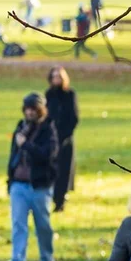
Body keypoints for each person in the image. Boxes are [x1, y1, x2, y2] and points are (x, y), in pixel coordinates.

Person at [6, 93, 58, 261]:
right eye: (27, 109)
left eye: (33, 109)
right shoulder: (21, 128)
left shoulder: (48, 130)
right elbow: (13, 154)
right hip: (19, 184)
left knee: (43, 225)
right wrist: (10, 180)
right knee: (18, 224)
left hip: (39, 186)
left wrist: (27, 145)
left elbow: (48, 155)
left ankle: (47, 257)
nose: (29, 113)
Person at [45, 67, 78, 213]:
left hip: (65, 140)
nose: (56, 79)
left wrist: (65, 135)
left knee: (64, 170)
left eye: (59, 76)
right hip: (51, 139)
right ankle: (51, 197)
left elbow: (74, 117)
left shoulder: (70, 94)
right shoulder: (49, 94)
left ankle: (61, 199)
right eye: (54, 77)